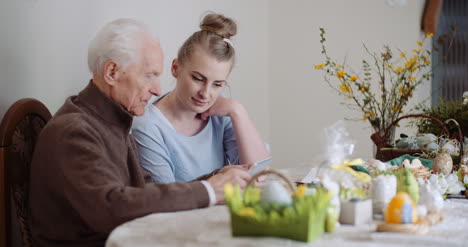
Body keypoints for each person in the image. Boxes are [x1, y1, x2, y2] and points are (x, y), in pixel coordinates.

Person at [28, 18, 251, 247]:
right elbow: (111, 207)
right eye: (149, 75)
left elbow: (145, 192)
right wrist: (209, 190)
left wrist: (216, 178)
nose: (157, 90)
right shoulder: (74, 132)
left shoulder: (113, 121)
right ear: (112, 72)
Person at [132, 13, 270, 183]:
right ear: (175, 68)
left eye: (217, 84)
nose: (205, 93)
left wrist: (237, 111)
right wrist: (218, 180)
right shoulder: (147, 127)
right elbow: (166, 198)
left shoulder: (221, 110)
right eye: (198, 78)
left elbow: (259, 176)